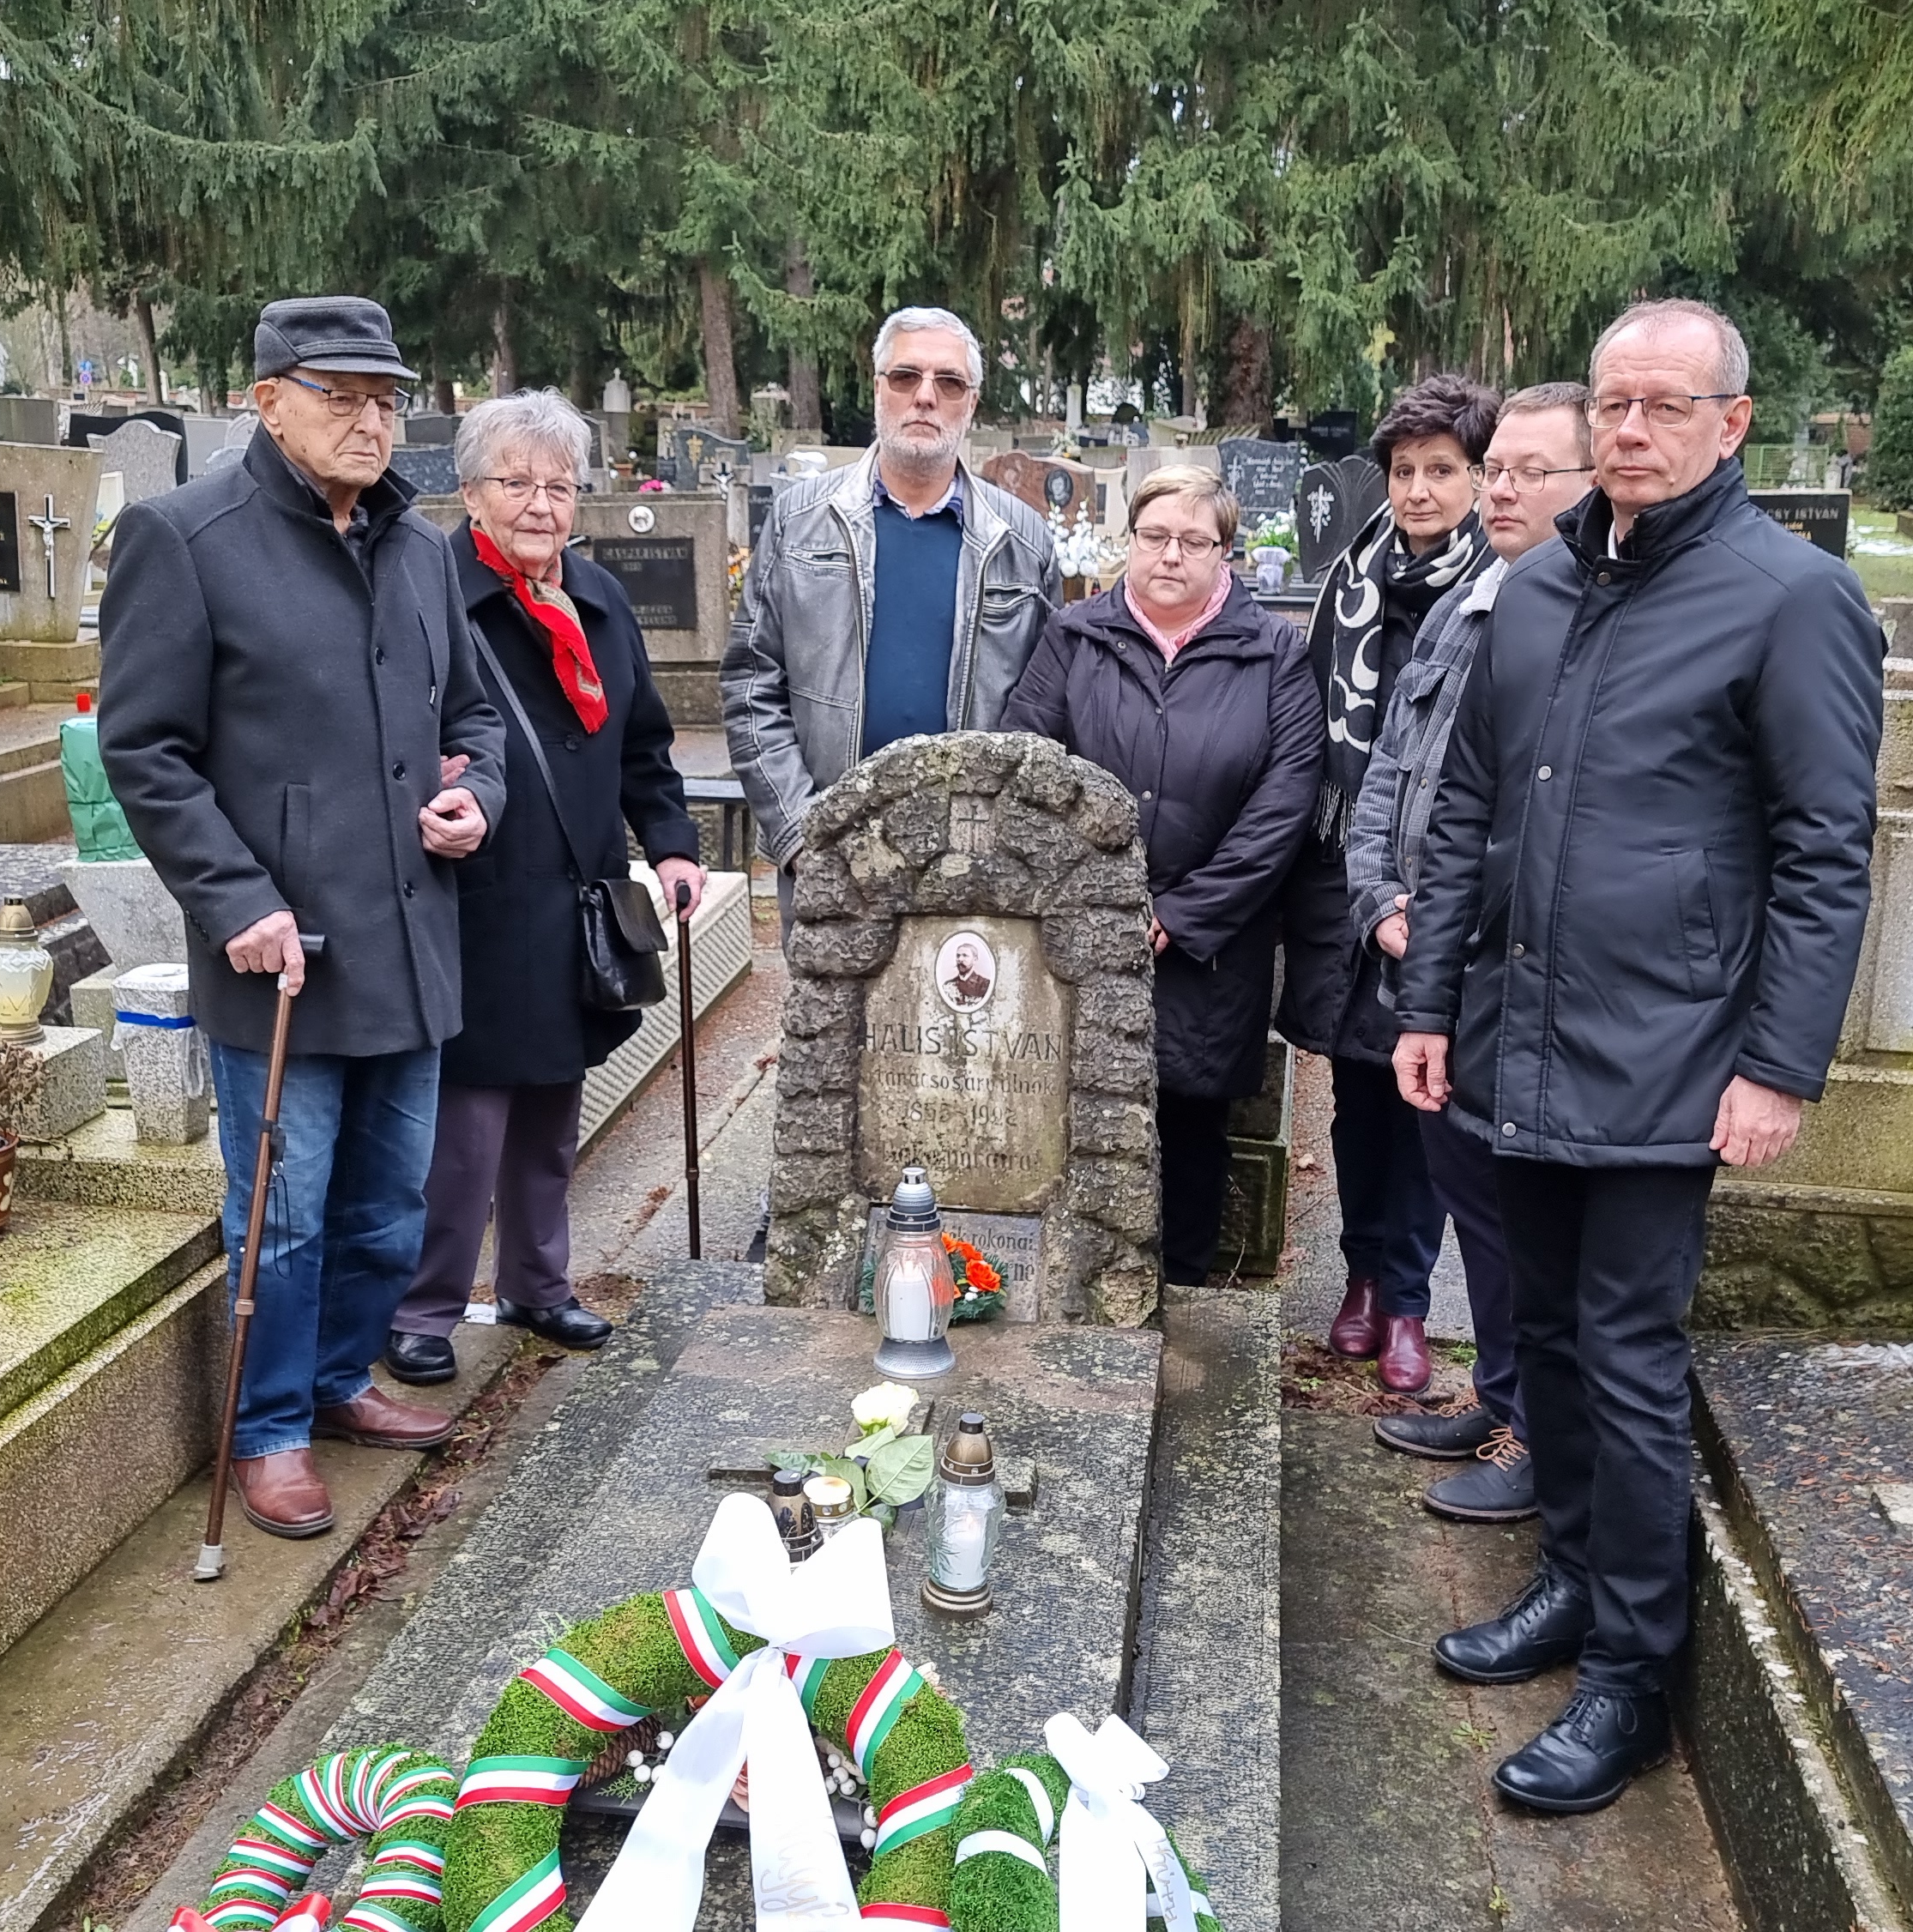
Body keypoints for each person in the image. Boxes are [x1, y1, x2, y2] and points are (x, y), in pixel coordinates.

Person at [1392, 299, 1880, 1813]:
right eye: (1614, 402)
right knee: (1540, 1334)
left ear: (1732, 423)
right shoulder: (1539, 585)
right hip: (1518, 1033)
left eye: (1667, 405)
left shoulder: (1790, 598)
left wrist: (1781, 1066)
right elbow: (1468, 811)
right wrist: (1429, 1008)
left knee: (1628, 1355)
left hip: (1671, 1052)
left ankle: (1629, 1677)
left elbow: (1825, 850)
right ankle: (1571, 1582)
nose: (1632, 429)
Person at [100, 296, 510, 1540]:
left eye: (386, 400)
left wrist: (477, 801)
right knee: (281, 1214)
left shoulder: (419, 548)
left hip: (409, 941)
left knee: (390, 1205)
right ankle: (269, 1425)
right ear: (267, 399)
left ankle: (337, 1379)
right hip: (281, 953)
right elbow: (146, 751)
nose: (370, 422)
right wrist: (235, 899)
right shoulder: (187, 538)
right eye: (341, 396)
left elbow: (475, 717)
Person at [383, 389, 707, 1384]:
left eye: (559, 486)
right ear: (471, 491)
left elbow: (642, 745)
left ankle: (537, 1282)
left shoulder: (597, 600)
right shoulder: (429, 592)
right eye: (516, 482)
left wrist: (673, 845)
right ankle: (426, 1306)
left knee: (551, 1118)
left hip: (576, 898)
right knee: (464, 1131)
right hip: (473, 895)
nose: (540, 504)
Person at [1346, 381, 1596, 1522]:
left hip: (1507, 969)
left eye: (1528, 472)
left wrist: (1446, 927)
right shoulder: (1470, 602)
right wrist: (1378, 901)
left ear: (1590, 484)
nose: (1499, 490)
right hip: (1426, 956)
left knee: (1516, 1213)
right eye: (1495, 470)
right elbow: (1390, 773)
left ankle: (1539, 1433)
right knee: (1466, 1191)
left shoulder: (1583, 616)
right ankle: (1501, 1398)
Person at [999, 465, 1319, 1282]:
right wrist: (1095, 906)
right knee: (1071, 1108)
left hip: (1209, 947)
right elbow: (1025, 769)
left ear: (1224, 553)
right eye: (1156, 536)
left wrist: (1179, 915)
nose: (1172, 555)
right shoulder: (1074, 636)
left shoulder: (1276, 653)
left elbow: (1283, 804)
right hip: (1083, 935)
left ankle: (1179, 1287)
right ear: (1131, 541)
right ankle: (1068, 1283)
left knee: (1189, 1124)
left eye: (1194, 541)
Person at [1282, 374, 1501, 1394]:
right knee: (1357, 1092)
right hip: (1344, 874)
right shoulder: (1353, 581)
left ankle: (1410, 1297)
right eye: (1404, 471)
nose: (1418, 490)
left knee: (1425, 1095)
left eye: (1440, 470)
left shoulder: (1499, 587)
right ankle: (1360, 1274)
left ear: (1478, 478)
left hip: (1443, 881)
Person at [721, 305, 1059, 903]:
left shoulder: (1023, 542)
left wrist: (1004, 846)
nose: (925, 396)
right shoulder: (799, 522)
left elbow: (1048, 709)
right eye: (906, 376)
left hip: (973, 869)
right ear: (878, 388)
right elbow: (752, 685)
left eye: (948, 382)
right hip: (829, 857)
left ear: (971, 403)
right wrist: (802, 836)